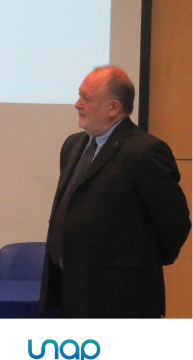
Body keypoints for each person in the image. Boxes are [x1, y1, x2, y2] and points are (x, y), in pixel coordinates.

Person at [40, 66, 190, 318]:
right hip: (70, 287)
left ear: (113, 108)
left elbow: (174, 222)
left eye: (87, 98)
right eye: (79, 95)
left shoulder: (144, 151)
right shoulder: (73, 145)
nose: (77, 104)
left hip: (122, 297)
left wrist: (140, 264)